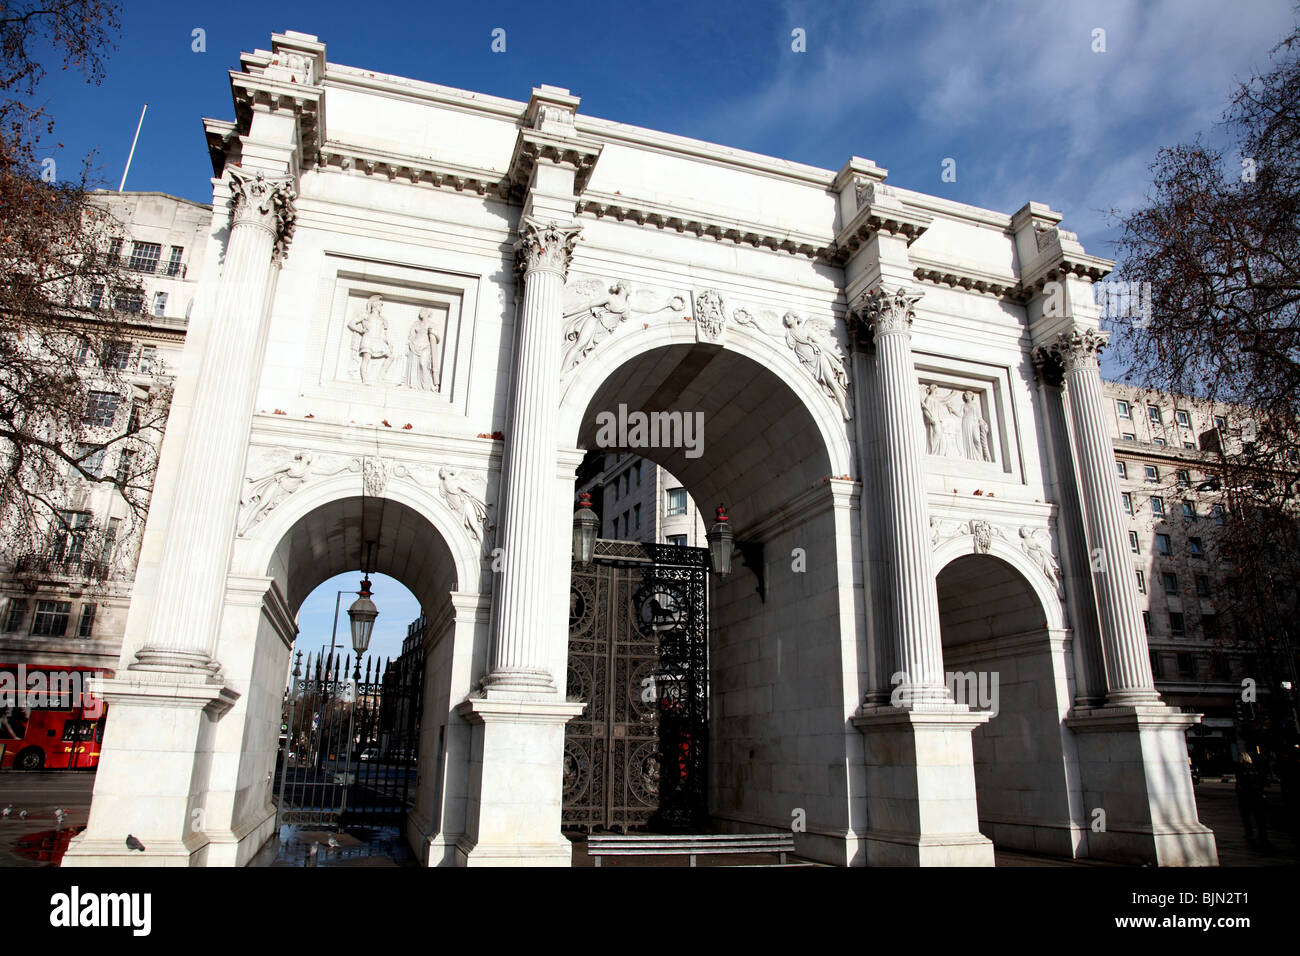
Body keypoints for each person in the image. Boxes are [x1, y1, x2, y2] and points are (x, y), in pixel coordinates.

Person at [1235, 751, 1269, 844]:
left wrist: (1239, 792)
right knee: (1259, 816)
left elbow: (1240, 783)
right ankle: (1262, 833)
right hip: (1257, 794)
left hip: (1246, 795)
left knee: (1246, 816)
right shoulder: (1255, 768)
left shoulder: (1241, 768)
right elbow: (1262, 781)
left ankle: (1249, 832)